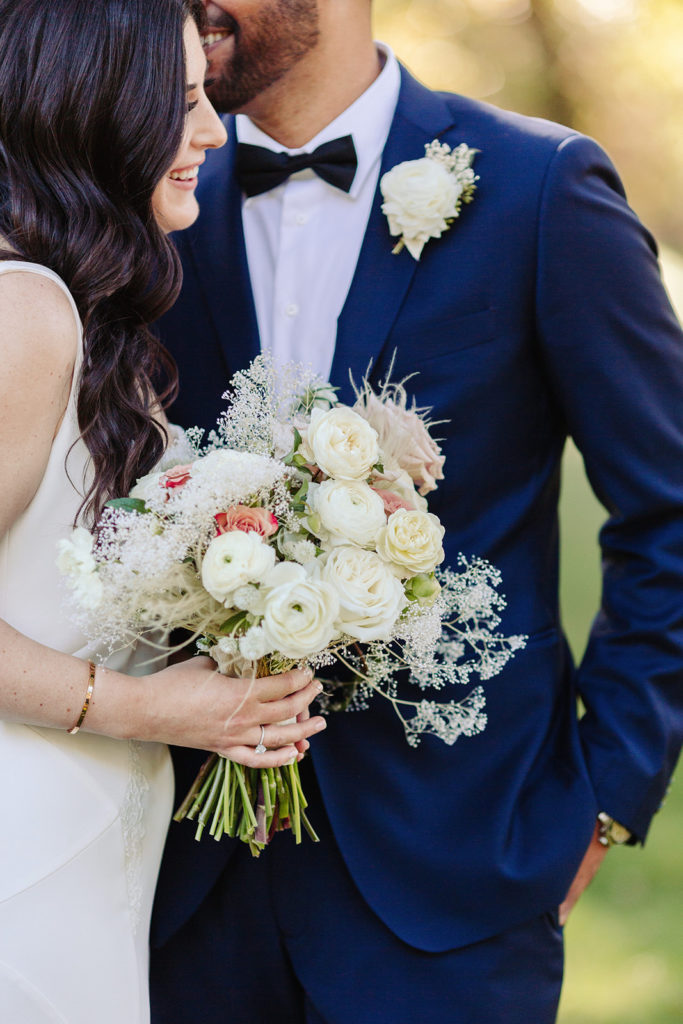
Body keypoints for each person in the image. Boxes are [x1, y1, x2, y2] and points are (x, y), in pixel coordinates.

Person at [151, 1, 683, 1021]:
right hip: (181, 888)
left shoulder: (539, 188)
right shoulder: (143, 194)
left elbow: (666, 510)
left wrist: (604, 796)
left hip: (458, 879)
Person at [0, 2, 327, 1021]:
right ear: (94, 106)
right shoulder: (25, 312)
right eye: (181, 101)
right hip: (25, 849)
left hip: (91, 845)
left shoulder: (80, 305)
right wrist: (155, 708)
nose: (212, 131)